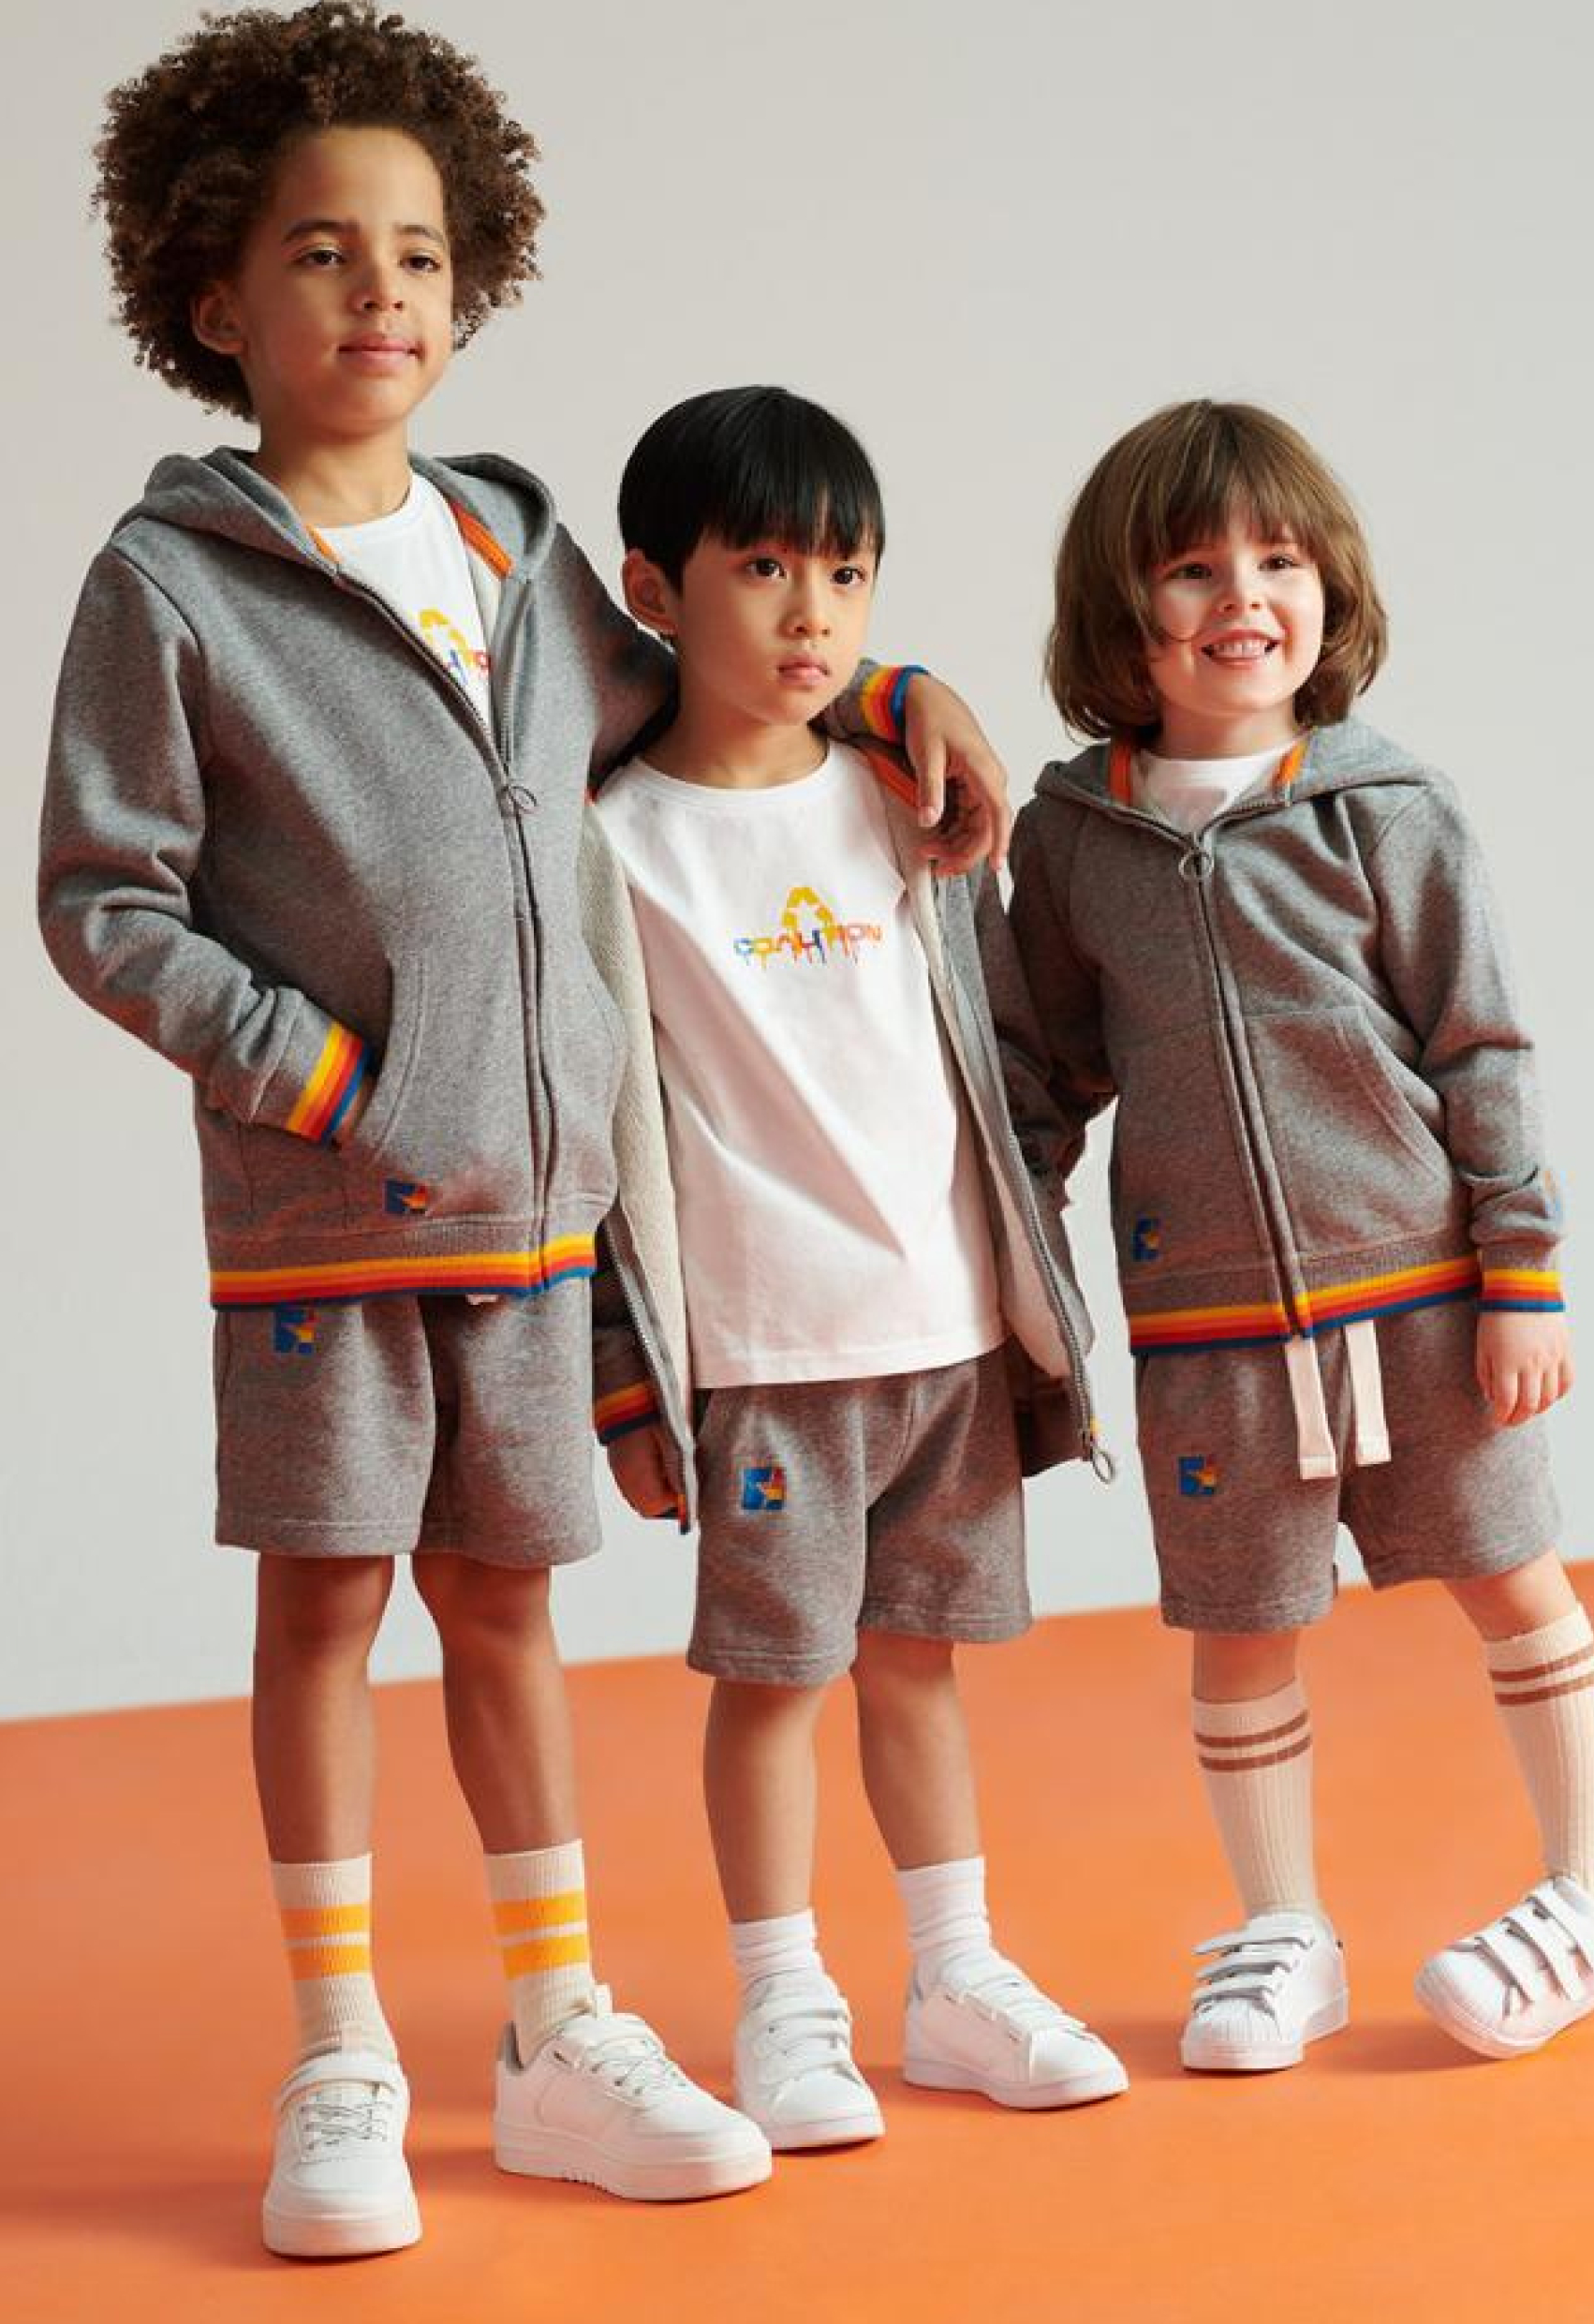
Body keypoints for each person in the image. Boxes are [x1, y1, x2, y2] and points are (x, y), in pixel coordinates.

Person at [37, 0, 1011, 2255]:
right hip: (328, 1215)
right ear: (214, 296)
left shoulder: (513, 544)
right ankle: (339, 2053)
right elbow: (104, 902)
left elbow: (691, 696)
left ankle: (555, 2028)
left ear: (468, 283)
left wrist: (886, 682)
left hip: (533, 1220)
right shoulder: (167, 586)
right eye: (317, 252)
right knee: (324, 1606)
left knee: (507, 1608)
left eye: (416, 251)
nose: (378, 291)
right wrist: (330, 1086)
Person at [1009, 398, 1594, 2072]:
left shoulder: (1389, 806)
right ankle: (1283, 1931)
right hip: (1207, 1325)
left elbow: (1479, 1047)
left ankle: (1590, 1890)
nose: (1243, 599)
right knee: (1239, 1629)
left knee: (1506, 1576)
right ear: (1121, 609)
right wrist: (1026, 1281)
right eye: (1192, 569)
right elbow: (1037, 1079)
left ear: (1328, 588)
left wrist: (1522, 1275)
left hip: (1424, 1293)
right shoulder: (1069, 839)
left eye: (1277, 562)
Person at [586, 384, 1128, 2153]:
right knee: (771, 1685)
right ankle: (781, 2000)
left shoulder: (906, 802)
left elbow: (985, 1056)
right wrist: (624, 1376)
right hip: (765, 1350)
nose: (811, 613)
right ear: (653, 591)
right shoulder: (611, 844)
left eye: (846, 573)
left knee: (920, 1666)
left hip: (946, 1332)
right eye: (761, 569)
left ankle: (954, 1977)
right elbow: (586, 1141)